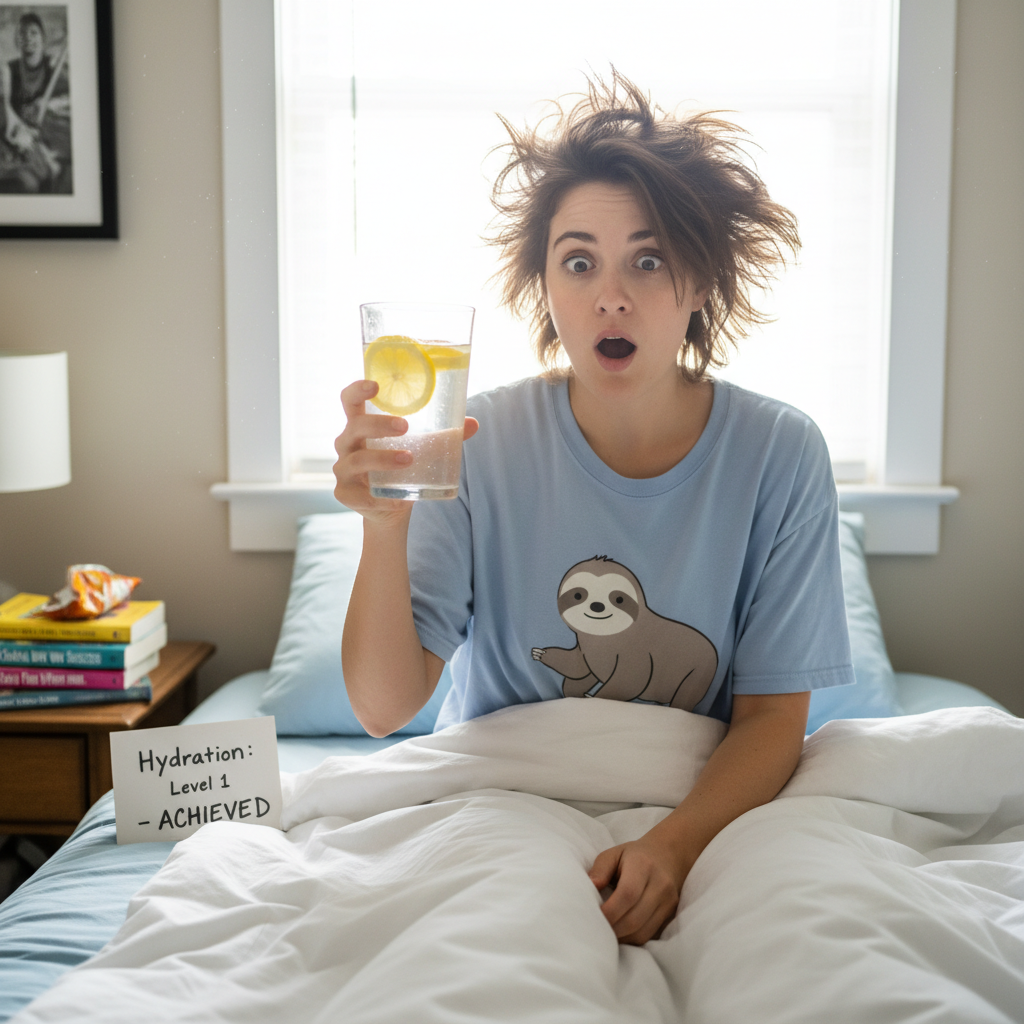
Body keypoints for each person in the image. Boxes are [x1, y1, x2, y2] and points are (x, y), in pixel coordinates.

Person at [332, 72, 855, 947]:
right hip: (505, 802)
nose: (611, 293)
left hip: (705, 806)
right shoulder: (475, 441)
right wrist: (382, 527)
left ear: (698, 285)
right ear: (545, 288)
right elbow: (385, 708)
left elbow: (772, 724)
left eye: (647, 260)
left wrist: (673, 848)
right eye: (579, 261)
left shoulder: (781, 453)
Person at [0, 12, 72, 194]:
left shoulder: (54, 68)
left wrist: (48, 104)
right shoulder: (9, 70)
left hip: (48, 139)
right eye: (22, 34)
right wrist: (18, 128)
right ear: (17, 40)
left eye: (33, 32)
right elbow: (5, 106)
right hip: (17, 139)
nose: (27, 38)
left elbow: (72, 99)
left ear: (43, 37)